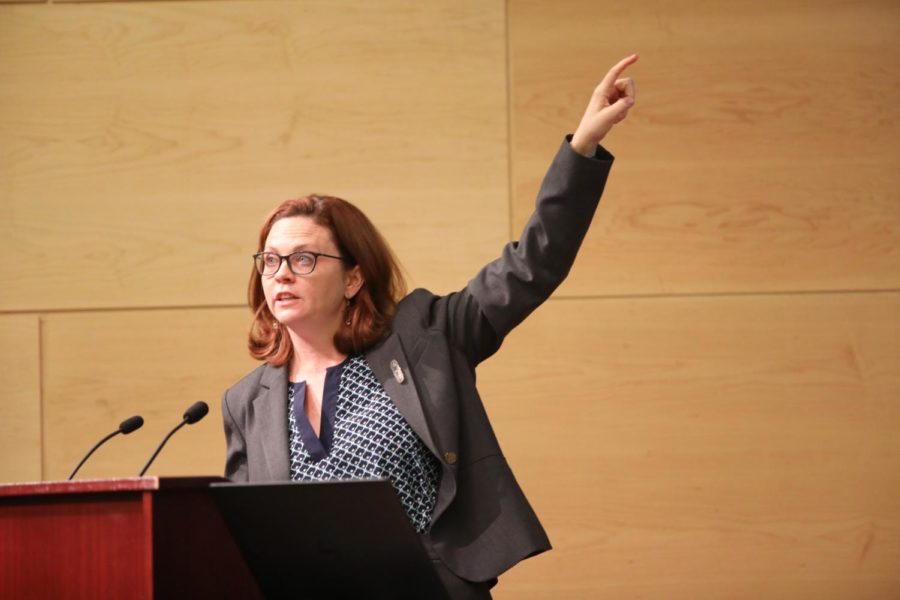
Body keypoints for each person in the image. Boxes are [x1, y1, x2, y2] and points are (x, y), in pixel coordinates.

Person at [221, 54, 638, 599]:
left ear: (353, 278)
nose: (281, 274)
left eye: (303, 259)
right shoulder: (246, 402)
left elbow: (532, 264)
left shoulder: (425, 336)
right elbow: (242, 539)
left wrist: (582, 148)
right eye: (269, 260)